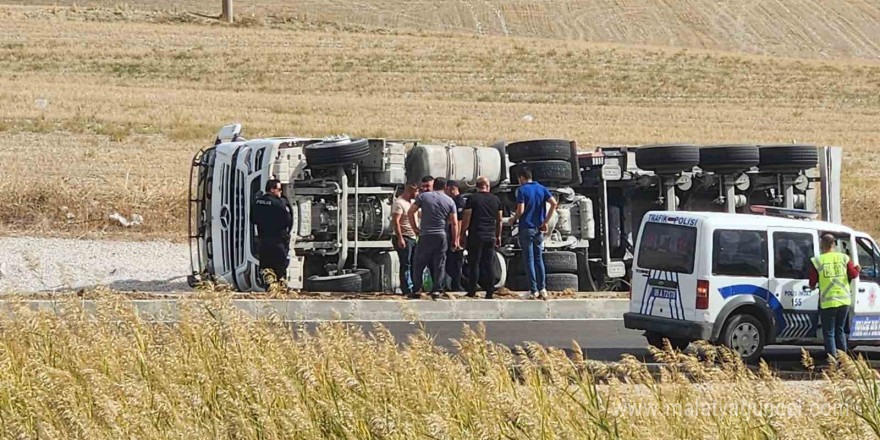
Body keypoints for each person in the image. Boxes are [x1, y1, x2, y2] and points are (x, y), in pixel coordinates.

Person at [508, 167, 558, 299]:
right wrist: (545, 221)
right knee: (538, 258)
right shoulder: (541, 188)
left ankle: (533, 290)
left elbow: (521, 210)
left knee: (528, 260)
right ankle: (543, 288)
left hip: (526, 227)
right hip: (538, 229)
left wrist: (513, 219)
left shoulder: (522, 190)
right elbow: (553, 203)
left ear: (522, 178)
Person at [809, 233, 860, 360]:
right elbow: (853, 274)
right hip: (844, 302)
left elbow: (812, 282)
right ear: (834, 244)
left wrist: (812, 287)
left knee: (829, 333)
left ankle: (833, 363)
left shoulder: (818, 260)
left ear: (822, 245)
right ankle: (844, 362)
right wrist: (858, 269)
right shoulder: (844, 258)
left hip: (828, 303)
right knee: (840, 331)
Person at [407, 176, 458, 299]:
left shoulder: (424, 197)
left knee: (419, 262)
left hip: (425, 234)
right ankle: (436, 290)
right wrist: (455, 239)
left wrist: (414, 228)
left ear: (434, 184)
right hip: (441, 234)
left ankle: (417, 289)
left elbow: (410, 211)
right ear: (445, 187)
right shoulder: (450, 201)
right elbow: (454, 222)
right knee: (439, 263)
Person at [460, 176, 502, 299]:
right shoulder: (496, 200)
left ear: (477, 186)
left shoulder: (472, 199)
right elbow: (499, 220)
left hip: (476, 235)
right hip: (490, 235)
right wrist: (498, 235)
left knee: (474, 263)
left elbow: (467, 218)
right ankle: (490, 291)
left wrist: (462, 233)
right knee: (488, 263)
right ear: (488, 186)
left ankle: (472, 290)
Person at [252, 179, 293, 285]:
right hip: (278, 241)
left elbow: (253, 219)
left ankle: (268, 288)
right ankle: (279, 290)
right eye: (279, 190)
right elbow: (288, 220)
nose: (280, 193)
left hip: (264, 241)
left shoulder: (258, 202)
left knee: (266, 268)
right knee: (280, 269)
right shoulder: (279, 203)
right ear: (272, 189)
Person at [391, 183, 419, 295]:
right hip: (404, 236)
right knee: (406, 263)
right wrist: (400, 238)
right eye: (416, 191)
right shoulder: (399, 203)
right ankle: (406, 287)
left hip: (413, 237)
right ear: (411, 190)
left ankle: (414, 286)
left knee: (413, 262)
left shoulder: (412, 203)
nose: (417, 194)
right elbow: (396, 221)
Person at [444, 179, 466, 292]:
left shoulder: (459, 202)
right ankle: (454, 282)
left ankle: (457, 284)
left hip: (456, 235)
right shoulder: (452, 201)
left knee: (456, 262)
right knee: (450, 262)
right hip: (452, 233)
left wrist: (457, 237)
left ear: (452, 189)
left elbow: (459, 221)